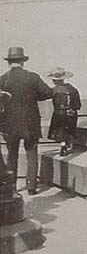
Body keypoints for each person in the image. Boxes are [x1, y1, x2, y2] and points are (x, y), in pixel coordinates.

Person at [0, 47, 52, 195]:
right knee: (32, 154)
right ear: (23, 61)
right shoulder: (32, 77)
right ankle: (31, 186)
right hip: (31, 123)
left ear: (9, 62)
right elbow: (48, 93)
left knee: (12, 156)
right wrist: (34, 97)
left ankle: (11, 187)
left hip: (9, 125)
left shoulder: (2, 79)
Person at [47, 67, 81, 156]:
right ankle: (67, 146)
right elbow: (78, 105)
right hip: (71, 113)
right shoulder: (73, 89)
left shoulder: (53, 90)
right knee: (69, 131)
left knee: (61, 132)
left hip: (59, 113)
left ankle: (63, 147)